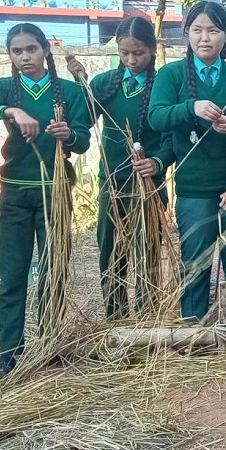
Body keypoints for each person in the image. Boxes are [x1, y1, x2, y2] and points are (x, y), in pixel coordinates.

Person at [0, 22, 92, 379]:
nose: (25, 57)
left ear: (45, 51)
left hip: (54, 190)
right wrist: (12, 112)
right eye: (17, 51)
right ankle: (9, 353)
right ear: (10, 55)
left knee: (54, 270)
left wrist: (68, 134)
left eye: (31, 49)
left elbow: (83, 139)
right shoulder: (4, 88)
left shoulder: (68, 92)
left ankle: (49, 346)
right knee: (13, 273)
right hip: (15, 192)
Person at [148, 2, 226, 324]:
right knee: (195, 261)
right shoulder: (171, 75)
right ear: (187, 34)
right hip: (193, 188)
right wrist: (190, 108)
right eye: (197, 30)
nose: (204, 38)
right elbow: (156, 117)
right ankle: (192, 328)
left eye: (213, 30)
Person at [67, 17, 164, 320]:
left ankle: (148, 320)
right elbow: (81, 124)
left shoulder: (164, 85)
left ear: (153, 50)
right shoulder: (104, 84)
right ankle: (116, 318)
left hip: (149, 183)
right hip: (112, 181)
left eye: (139, 53)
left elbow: (172, 137)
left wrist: (158, 161)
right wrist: (79, 85)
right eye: (125, 53)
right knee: (111, 249)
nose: (132, 60)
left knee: (146, 248)